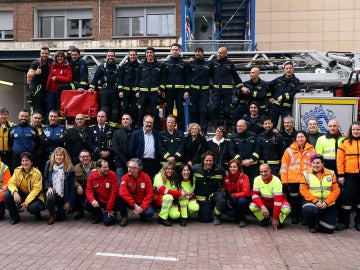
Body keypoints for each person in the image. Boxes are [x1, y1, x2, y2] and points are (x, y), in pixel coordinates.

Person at [280, 130, 316, 224]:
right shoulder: (289, 150)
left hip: (306, 179)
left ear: (305, 138)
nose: (300, 139)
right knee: (294, 200)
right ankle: (295, 216)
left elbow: (315, 165)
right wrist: (284, 181)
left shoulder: (312, 150)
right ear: (295, 139)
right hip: (293, 180)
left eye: (302, 137)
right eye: (298, 137)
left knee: (305, 199)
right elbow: (284, 166)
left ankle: (304, 217)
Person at [300, 154, 340, 233]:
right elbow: (303, 190)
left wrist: (326, 202)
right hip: (312, 202)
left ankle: (320, 220)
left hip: (328, 204)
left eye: (318, 163)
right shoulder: (306, 174)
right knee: (309, 210)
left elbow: (336, 190)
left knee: (329, 230)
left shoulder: (331, 173)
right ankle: (312, 225)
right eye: (313, 163)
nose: (315, 165)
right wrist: (316, 201)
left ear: (323, 164)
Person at [4, 152, 45, 224]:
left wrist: (26, 203)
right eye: (23, 161)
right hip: (23, 193)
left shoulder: (37, 173)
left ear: (31, 162)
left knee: (32, 208)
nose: (24, 163)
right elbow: (11, 183)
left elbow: (36, 190)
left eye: (27, 160)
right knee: (7, 196)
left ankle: (37, 213)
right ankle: (15, 217)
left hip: (35, 196)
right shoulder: (17, 171)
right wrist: (15, 192)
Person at [249, 163, 291, 230]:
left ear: (270, 170)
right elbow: (254, 195)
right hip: (265, 201)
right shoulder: (257, 179)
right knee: (252, 206)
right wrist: (262, 207)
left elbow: (277, 201)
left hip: (277, 201)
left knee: (287, 208)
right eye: (261, 172)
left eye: (265, 171)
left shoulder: (276, 180)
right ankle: (264, 219)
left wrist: (275, 218)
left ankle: (279, 221)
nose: (263, 173)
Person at [210, 46, 243, 131]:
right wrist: (193, 60)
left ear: (225, 54)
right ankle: (215, 126)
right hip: (216, 90)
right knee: (214, 108)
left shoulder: (230, 64)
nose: (219, 54)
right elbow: (204, 68)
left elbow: (235, 76)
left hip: (227, 90)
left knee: (227, 109)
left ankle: (225, 127)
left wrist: (241, 86)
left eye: (221, 53)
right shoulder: (213, 62)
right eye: (218, 52)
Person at [336, 121, 360, 231]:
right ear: (351, 131)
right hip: (349, 175)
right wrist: (341, 175)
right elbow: (340, 160)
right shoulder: (344, 142)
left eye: (358, 129)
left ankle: (358, 222)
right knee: (347, 198)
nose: (356, 131)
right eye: (354, 129)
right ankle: (345, 222)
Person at [119, 158, 154, 227]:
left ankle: (142, 214)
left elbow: (150, 193)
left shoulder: (146, 177)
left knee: (150, 213)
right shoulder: (125, 177)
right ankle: (124, 217)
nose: (129, 169)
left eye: (132, 168)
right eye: (129, 167)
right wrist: (134, 205)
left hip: (142, 202)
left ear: (138, 169)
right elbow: (123, 192)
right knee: (120, 196)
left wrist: (142, 207)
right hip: (131, 202)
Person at [44, 147, 75, 225]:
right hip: (52, 191)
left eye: (61, 155)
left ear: (65, 157)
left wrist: (68, 202)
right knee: (50, 197)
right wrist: (49, 187)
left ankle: (60, 211)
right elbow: (45, 179)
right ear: (54, 156)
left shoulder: (70, 168)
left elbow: (72, 187)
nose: (58, 157)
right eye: (56, 155)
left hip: (63, 194)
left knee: (61, 218)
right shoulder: (49, 164)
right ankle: (52, 215)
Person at [135, 47, 164, 129]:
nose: (149, 54)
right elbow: (137, 80)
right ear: (145, 54)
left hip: (154, 94)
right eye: (147, 52)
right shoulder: (141, 66)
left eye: (151, 52)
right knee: (141, 113)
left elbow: (163, 79)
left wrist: (160, 89)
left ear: (154, 54)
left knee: (155, 113)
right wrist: (137, 91)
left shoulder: (159, 66)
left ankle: (156, 131)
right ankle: (141, 130)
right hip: (143, 94)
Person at [192, 151, 225, 224]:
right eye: (207, 160)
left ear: (214, 162)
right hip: (202, 198)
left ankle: (216, 215)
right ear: (203, 161)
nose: (209, 163)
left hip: (214, 195)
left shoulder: (219, 169)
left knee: (222, 200)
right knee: (206, 219)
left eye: (211, 161)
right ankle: (206, 212)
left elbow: (226, 178)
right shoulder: (195, 169)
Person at [89, 49, 120, 127]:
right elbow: (96, 78)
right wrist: (91, 87)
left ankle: (112, 129)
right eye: (109, 56)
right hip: (105, 91)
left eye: (112, 56)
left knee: (115, 111)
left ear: (115, 57)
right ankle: (104, 128)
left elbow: (121, 80)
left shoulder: (118, 68)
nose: (110, 57)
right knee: (104, 110)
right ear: (106, 57)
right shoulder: (102, 67)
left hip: (115, 91)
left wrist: (121, 91)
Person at [163, 43, 189, 132]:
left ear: (179, 51)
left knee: (180, 111)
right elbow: (163, 78)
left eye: (176, 50)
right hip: (168, 91)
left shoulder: (183, 64)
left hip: (180, 91)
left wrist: (186, 91)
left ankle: (181, 131)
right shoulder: (166, 63)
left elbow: (187, 77)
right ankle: (168, 130)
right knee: (168, 111)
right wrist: (163, 90)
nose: (174, 51)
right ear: (170, 51)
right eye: (173, 50)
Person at [85, 159, 119, 226]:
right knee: (87, 202)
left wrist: (109, 208)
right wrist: (93, 201)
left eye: (107, 167)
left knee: (107, 222)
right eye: (104, 167)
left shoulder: (112, 175)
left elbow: (114, 192)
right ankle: (98, 215)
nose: (107, 169)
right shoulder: (92, 176)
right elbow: (89, 191)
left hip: (111, 201)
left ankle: (112, 212)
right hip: (100, 199)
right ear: (98, 168)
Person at [268, 61, 301, 129]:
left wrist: (283, 96)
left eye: (290, 68)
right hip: (275, 107)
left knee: (286, 126)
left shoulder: (296, 81)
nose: (288, 70)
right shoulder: (279, 80)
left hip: (286, 108)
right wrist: (269, 97)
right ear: (284, 70)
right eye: (287, 68)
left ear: (293, 69)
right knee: (272, 125)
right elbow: (268, 86)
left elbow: (295, 92)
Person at [188, 47, 212, 134]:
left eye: (199, 52)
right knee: (194, 110)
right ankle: (194, 131)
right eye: (196, 52)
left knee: (204, 111)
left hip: (204, 92)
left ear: (203, 53)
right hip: (194, 91)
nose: (198, 53)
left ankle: (204, 131)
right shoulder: (191, 64)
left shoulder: (208, 64)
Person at [222, 159, 251, 227]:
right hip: (231, 200)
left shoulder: (244, 177)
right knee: (230, 214)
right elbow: (223, 188)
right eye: (231, 167)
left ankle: (242, 219)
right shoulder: (226, 176)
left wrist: (234, 195)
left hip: (242, 199)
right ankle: (236, 214)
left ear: (238, 168)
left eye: (234, 167)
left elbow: (246, 192)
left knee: (241, 201)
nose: (232, 168)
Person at [129, 115, 159, 181]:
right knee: (140, 181)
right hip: (141, 162)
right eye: (147, 122)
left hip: (153, 163)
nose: (149, 124)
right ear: (143, 122)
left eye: (151, 123)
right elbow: (131, 149)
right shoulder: (136, 134)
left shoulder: (156, 133)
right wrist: (135, 162)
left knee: (151, 182)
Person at [229, 119, 258, 187]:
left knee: (252, 184)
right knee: (241, 185)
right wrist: (241, 160)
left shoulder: (253, 135)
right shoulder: (234, 137)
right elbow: (232, 151)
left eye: (241, 126)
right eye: (237, 126)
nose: (239, 128)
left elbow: (258, 149)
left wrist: (251, 159)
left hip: (253, 166)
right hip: (240, 166)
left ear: (245, 127)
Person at [45, 50, 72, 116]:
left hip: (60, 93)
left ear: (64, 58)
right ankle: (48, 124)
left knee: (59, 111)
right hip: (51, 91)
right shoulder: (52, 65)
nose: (59, 58)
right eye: (58, 57)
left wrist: (57, 78)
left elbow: (69, 78)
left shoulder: (67, 67)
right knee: (49, 108)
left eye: (61, 56)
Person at [26, 46, 52, 116]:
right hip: (36, 90)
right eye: (43, 53)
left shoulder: (50, 62)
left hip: (46, 89)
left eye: (46, 53)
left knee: (45, 108)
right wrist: (36, 73)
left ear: (49, 54)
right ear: (40, 53)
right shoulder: (35, 63)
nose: (44, 55)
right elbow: (28, 75)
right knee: (37, 109)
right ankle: (34, 125)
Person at [118, 49, 140, 127]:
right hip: (126, 93)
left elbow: (140, 79)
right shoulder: (123, 66)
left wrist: (138, 91)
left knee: (134, 110)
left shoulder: (139, 66)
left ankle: (133, 126)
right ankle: (124, 126)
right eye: (131, 55)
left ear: (136, 56)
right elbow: (120, 79)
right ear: (129, 56)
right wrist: (120, 91)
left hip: (135, 93)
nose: (132, 56)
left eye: (134, 55)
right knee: (124, 109)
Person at [73, 149, 96, 220]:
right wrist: (78, 186)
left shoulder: (97, 166)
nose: (85, 158)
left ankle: (94, 211)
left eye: (87, 156)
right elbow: (73, 180)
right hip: (83, 189)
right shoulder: (76, 168)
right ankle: (80, 212)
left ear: (90, 157)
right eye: (83, 156)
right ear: (80, 158)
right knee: (74, 190)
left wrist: (97, 173)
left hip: (95, 189)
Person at [112, 113, 133, 183]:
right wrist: (125, 161)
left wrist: (132, 161)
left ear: (131, 121)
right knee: (121, 184)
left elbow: (137, 148)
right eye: (123, 119)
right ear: (121, 121)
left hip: (133, 164)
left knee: (132, 184)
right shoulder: (116, 133)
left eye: (127, 119)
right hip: (120, 164)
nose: (125, 120)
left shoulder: (135, 133)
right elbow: (116, 149)